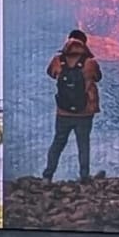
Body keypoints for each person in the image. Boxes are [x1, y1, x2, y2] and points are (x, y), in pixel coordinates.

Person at [46, 29, 102, 182]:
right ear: (84, 43)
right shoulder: (90, 63)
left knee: (58, 143)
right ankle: (84, 175)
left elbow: (51, 73)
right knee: (83, 144)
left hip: (63, 112)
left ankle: (48, 175)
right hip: (85, 112)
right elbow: (98, 77)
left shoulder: (58, 60)